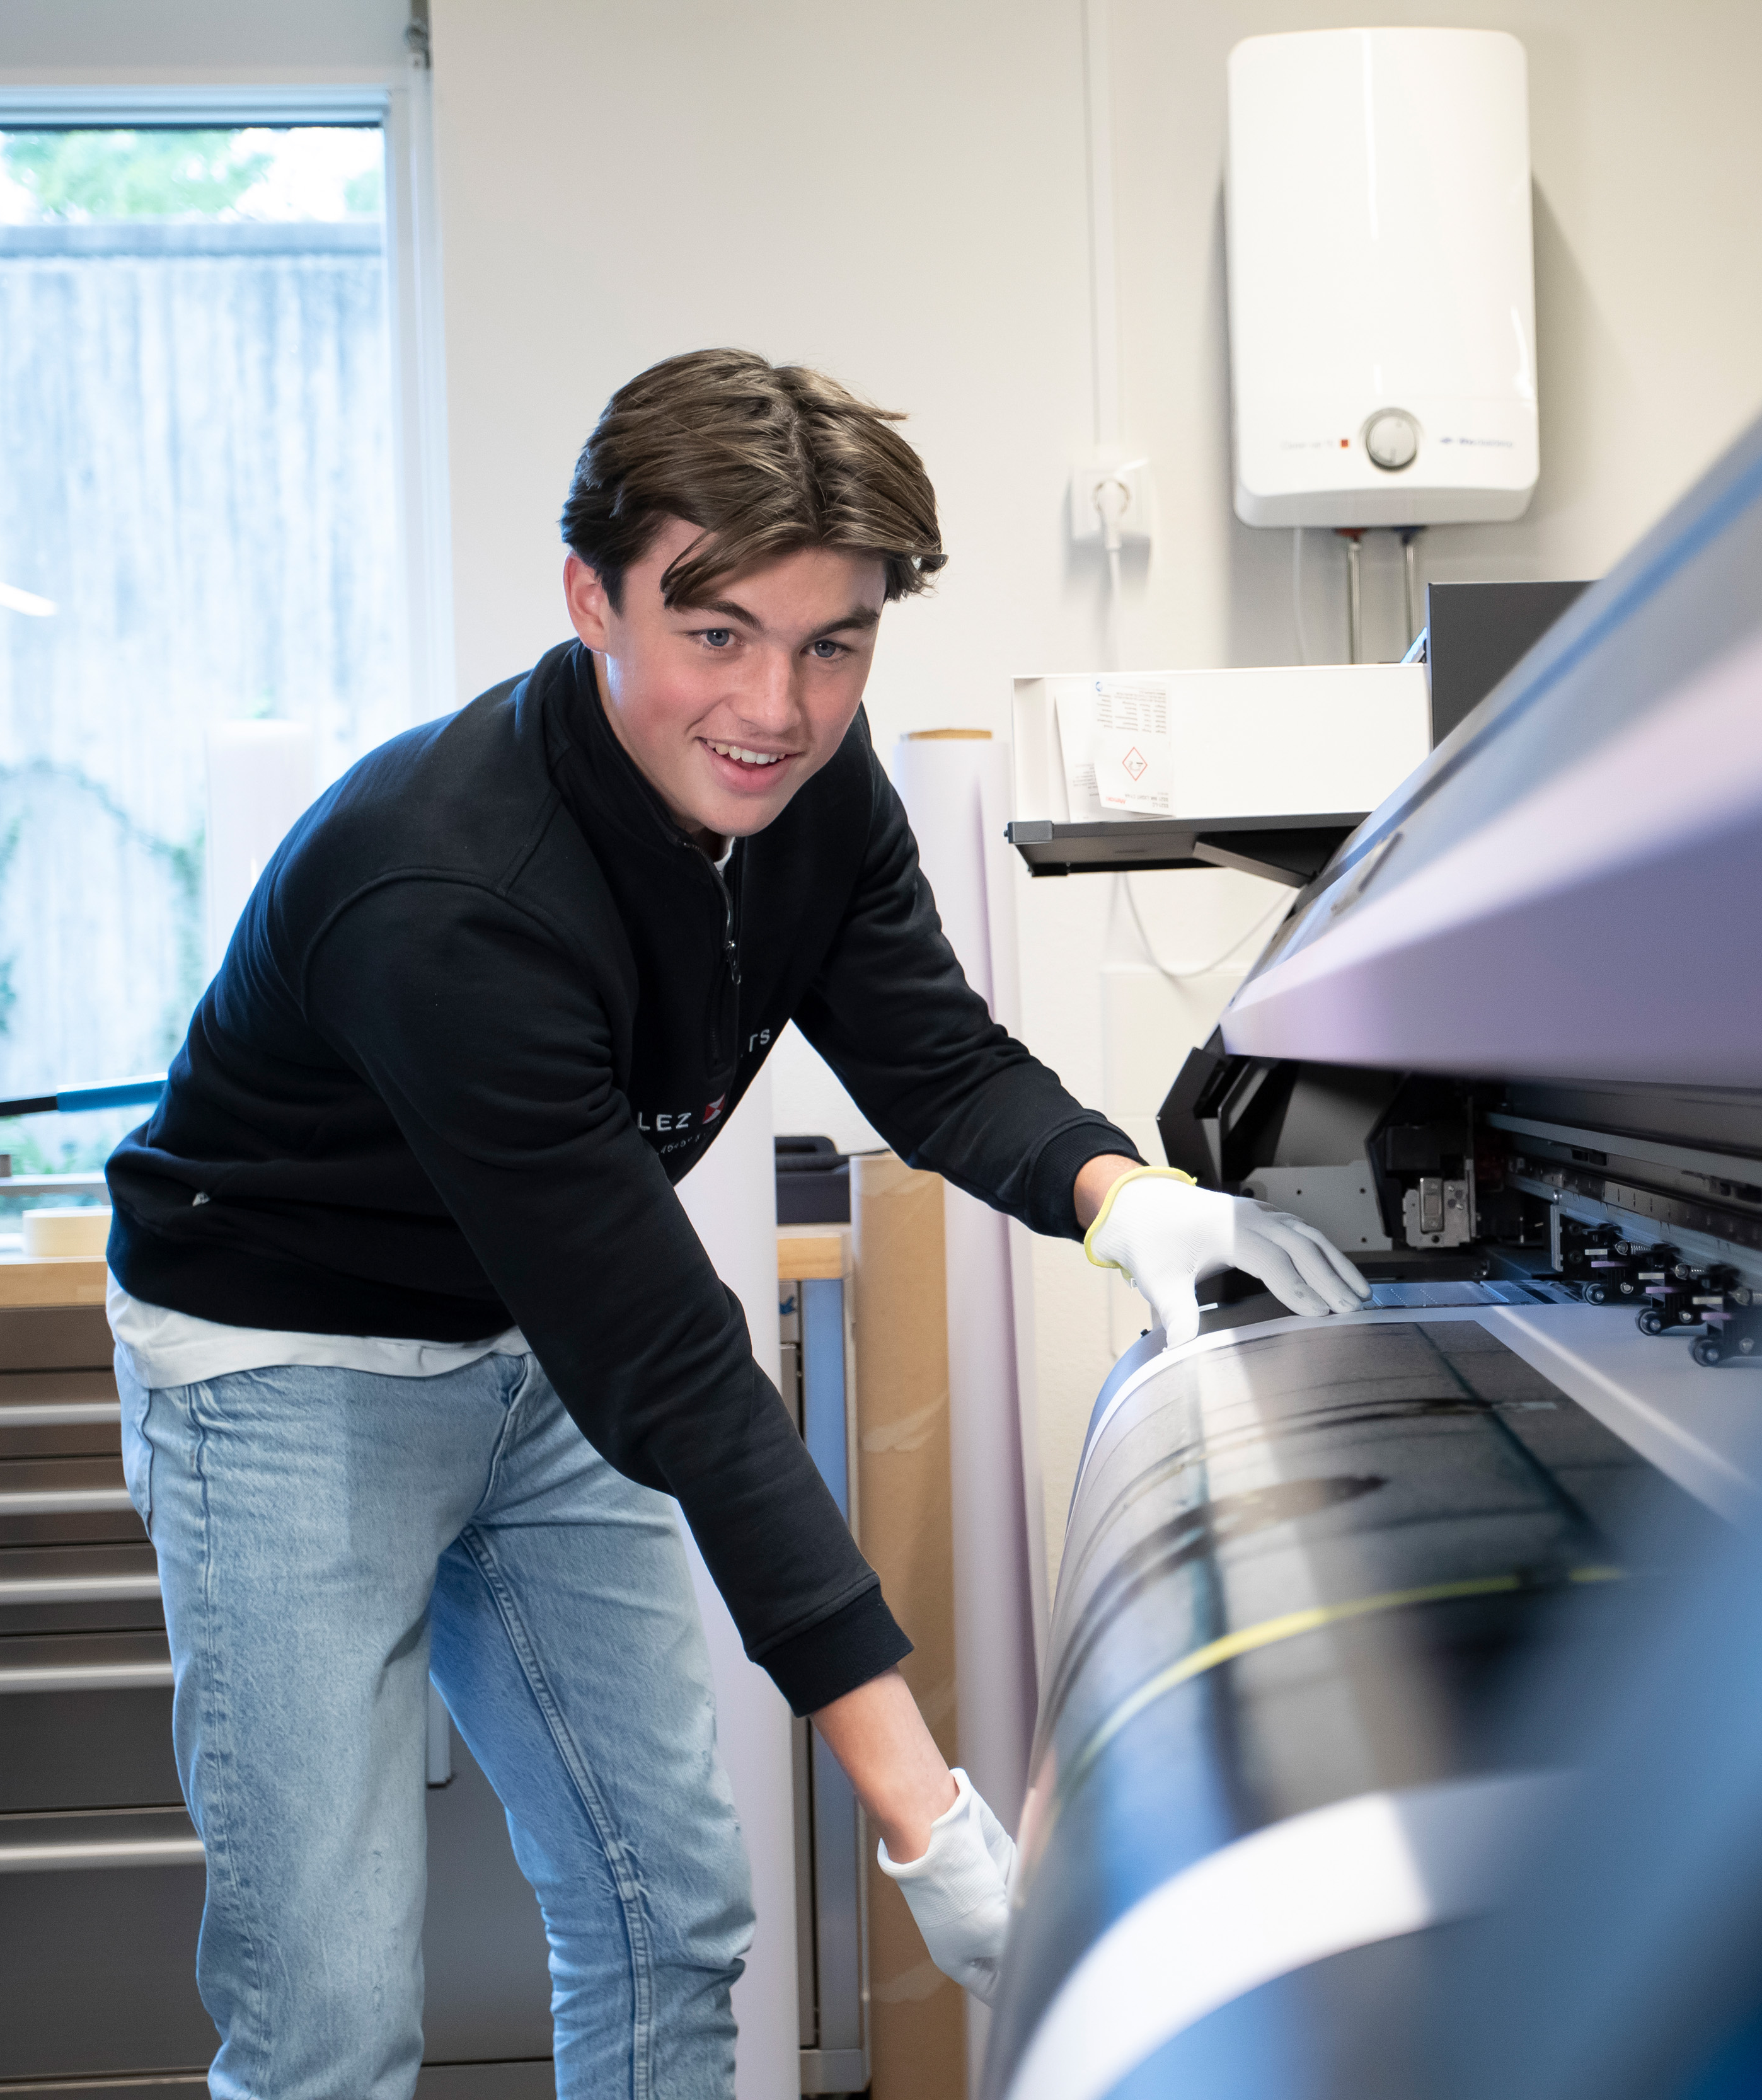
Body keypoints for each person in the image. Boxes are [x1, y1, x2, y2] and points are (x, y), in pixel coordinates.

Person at [103, 347, 1371, 2096]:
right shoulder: (447, 891)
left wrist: (1126, 1198)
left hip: (539, 1351)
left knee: (669, 1920)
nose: (777, 706)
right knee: (332, 2017)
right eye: (718, 636)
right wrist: (928, 1819)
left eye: (833, 645)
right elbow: (681, 1371)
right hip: (288, 1370)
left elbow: (935, 1060)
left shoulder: (812, 794)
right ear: (593, 601)